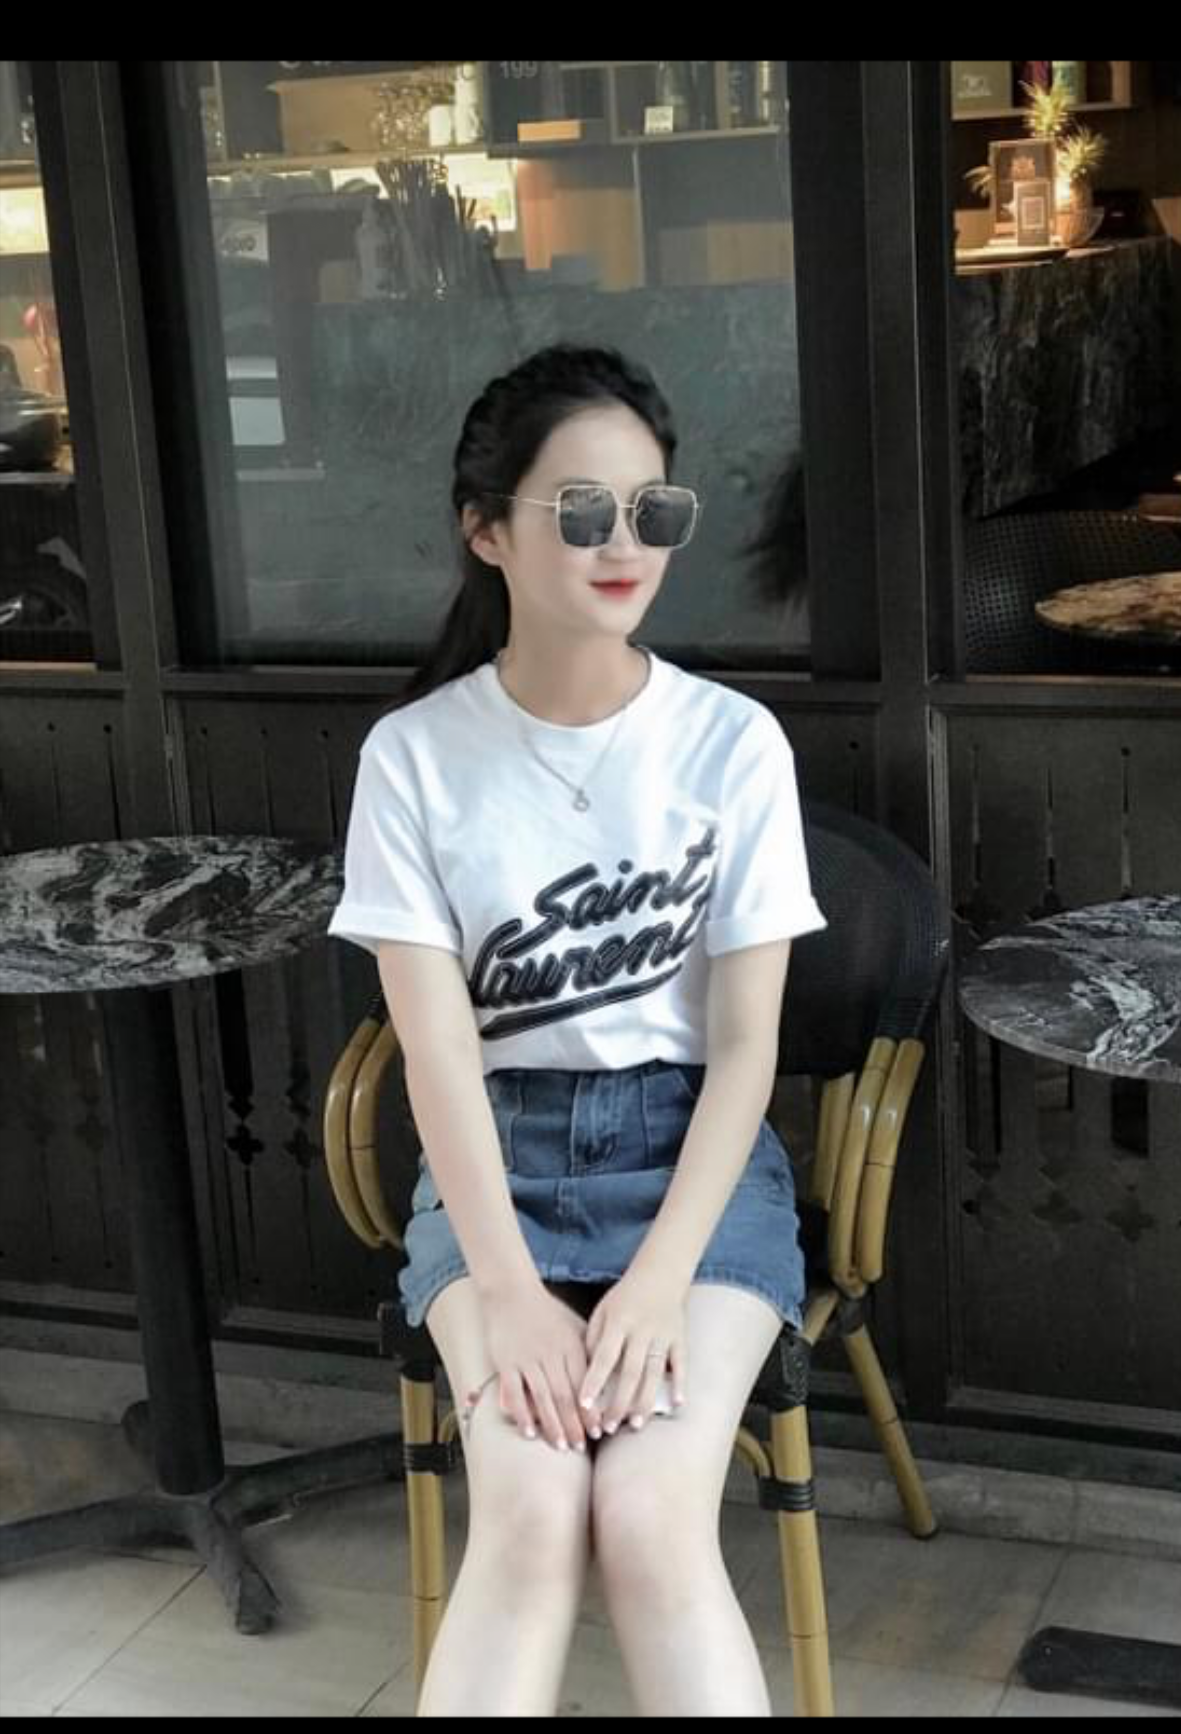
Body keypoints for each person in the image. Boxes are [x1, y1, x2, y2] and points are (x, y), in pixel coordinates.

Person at [327, 344, 826, 1717]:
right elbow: (437, 1056)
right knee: (534, 1511)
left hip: (693, 1163)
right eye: (584, 510)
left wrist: (660, 1280)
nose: (626, 545)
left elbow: (745, 1051)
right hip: (495, 1167)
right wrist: (506, 1290)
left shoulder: (733, 744)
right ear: (486, 530)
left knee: (653, 1519)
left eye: (653, 511)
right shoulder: (414, 759)